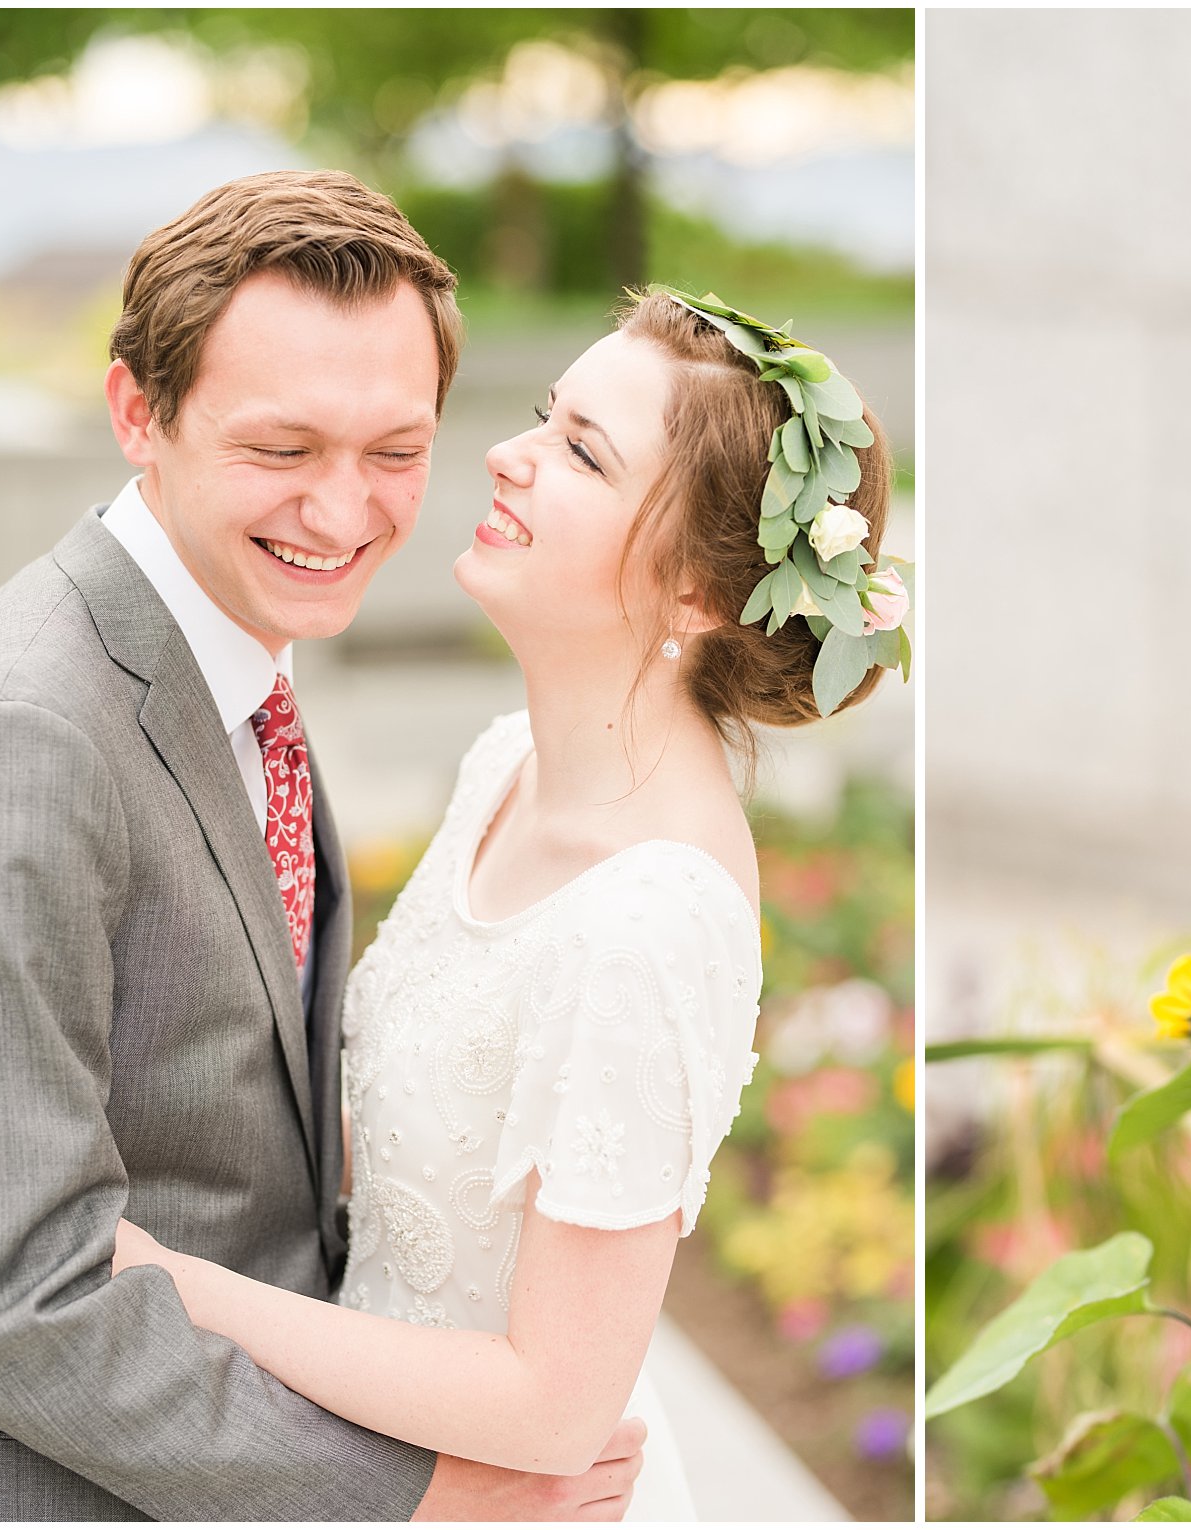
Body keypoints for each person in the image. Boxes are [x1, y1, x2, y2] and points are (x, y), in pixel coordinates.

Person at [0, 170, 644, 1520]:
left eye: (395, 450)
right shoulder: (19, 735)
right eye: (282, 449)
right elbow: (2, 1282)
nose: (344, 511)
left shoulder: (230, 658)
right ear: (140, 412)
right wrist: (410, 1491)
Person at [104, 284, 911, 1520]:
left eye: (581, 451)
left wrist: (164, 1280)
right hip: (369, 1458)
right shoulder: (502, 768)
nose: (507, 455)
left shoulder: (648, 918)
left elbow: (554, 1406)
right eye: (547, 415)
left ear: (697, 592)